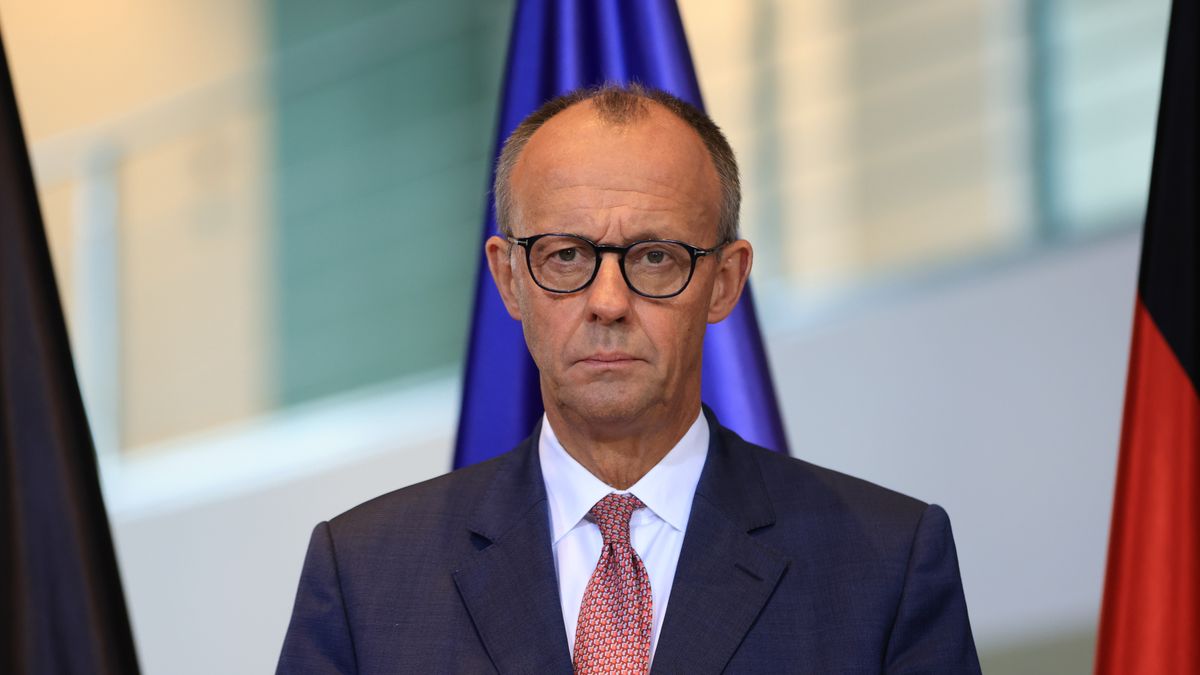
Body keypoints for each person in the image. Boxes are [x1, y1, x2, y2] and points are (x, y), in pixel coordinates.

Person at [277, 84, 981, 674]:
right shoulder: (365, 577)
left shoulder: (885, 565)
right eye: (564, 254)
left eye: (653, 258)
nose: (608, 301)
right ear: (508, 277)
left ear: (725, 281)